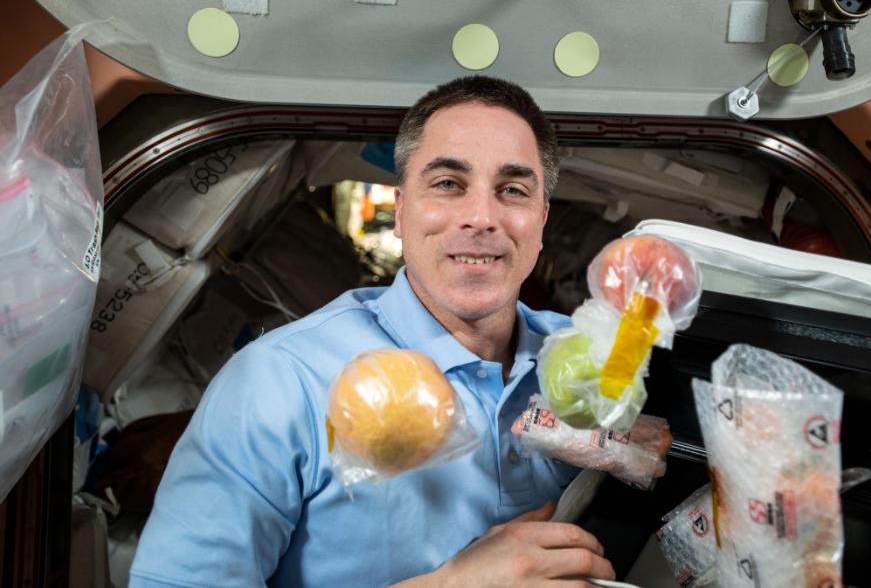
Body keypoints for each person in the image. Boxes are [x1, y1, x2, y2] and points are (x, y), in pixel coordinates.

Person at [129, 76, 616, 587]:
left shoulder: (589, 358)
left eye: (512, 190)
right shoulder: (280, 383)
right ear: (402, 210)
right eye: (449, 184)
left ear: (540, 220)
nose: (481, 217)